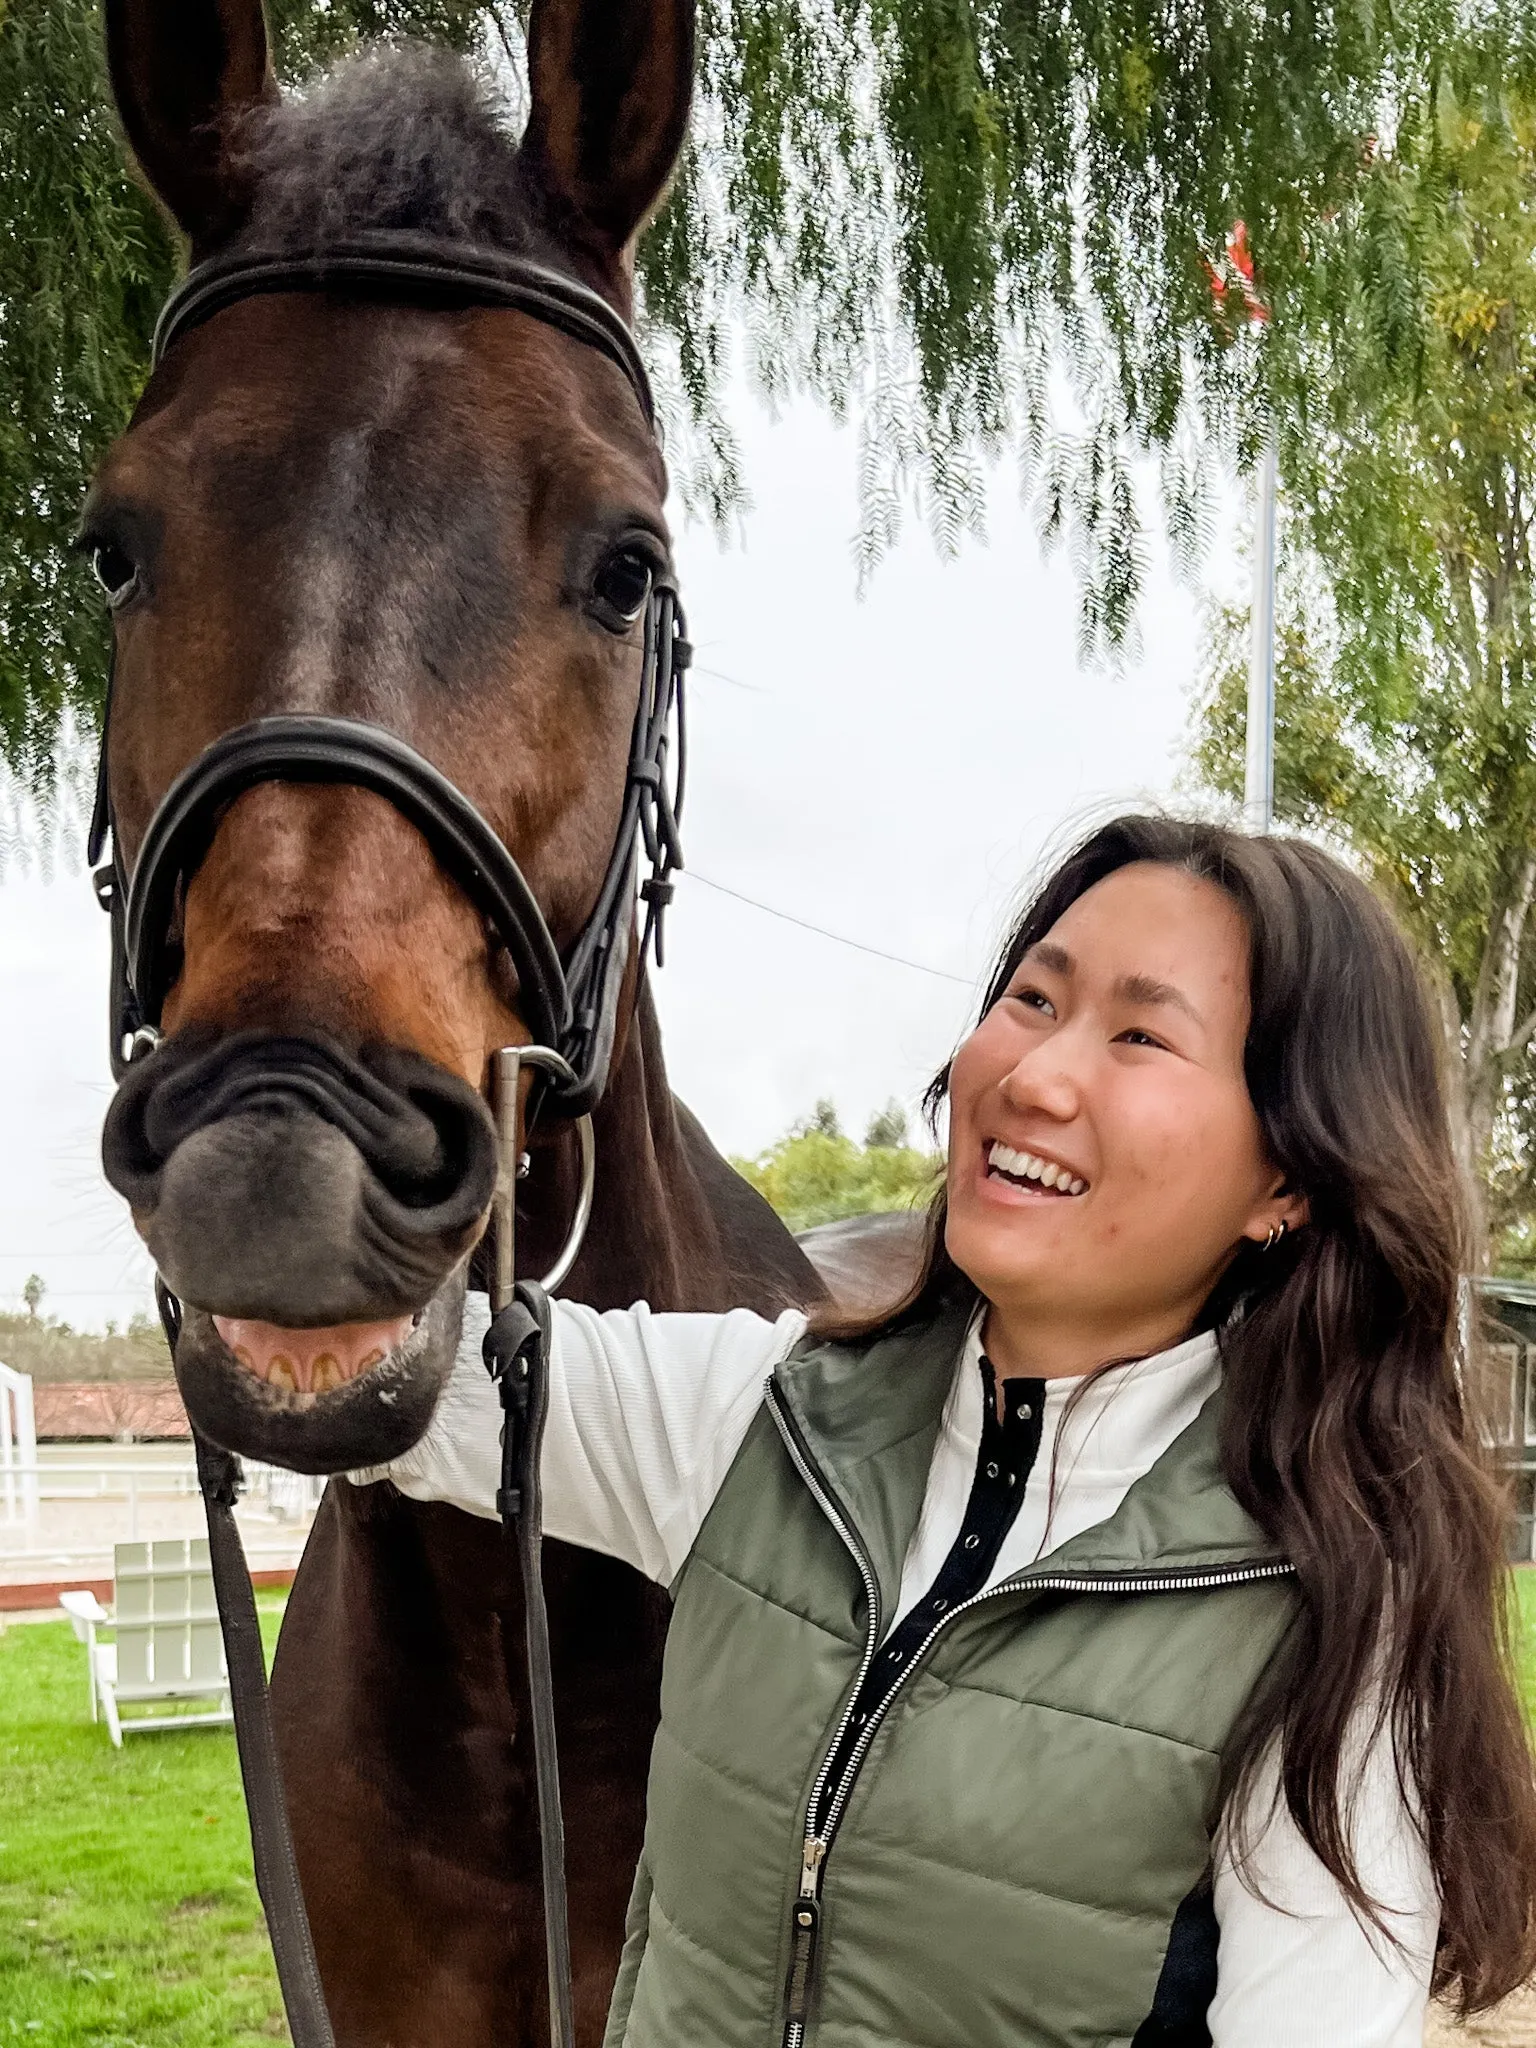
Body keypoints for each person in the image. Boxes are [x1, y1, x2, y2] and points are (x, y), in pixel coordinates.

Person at [355, 814, 1536, 2047]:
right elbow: (390, 1367)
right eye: (1033, 998)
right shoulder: (759, 1418)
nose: (1035, 1077)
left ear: (1285, 1179)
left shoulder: (1327, 1610)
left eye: (1141, 1034)